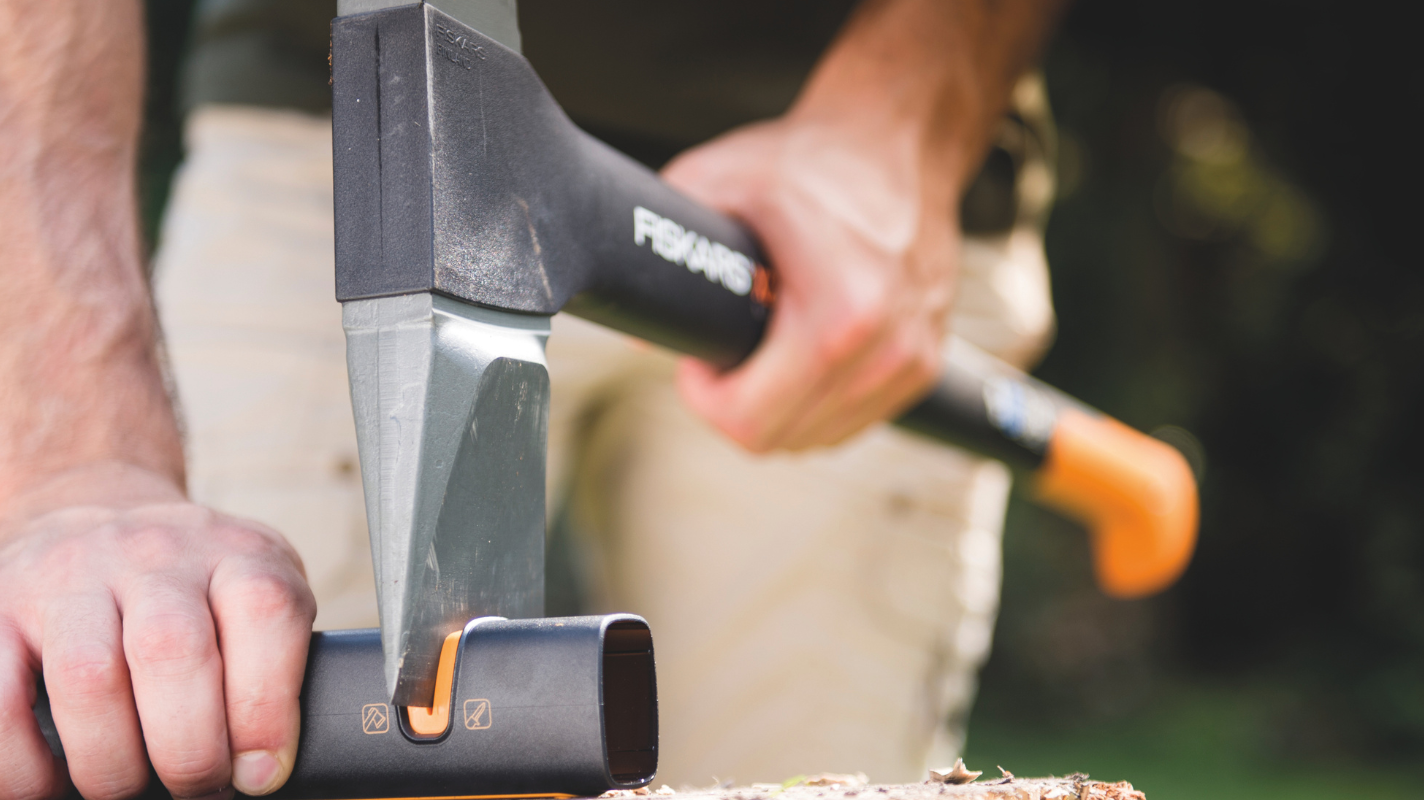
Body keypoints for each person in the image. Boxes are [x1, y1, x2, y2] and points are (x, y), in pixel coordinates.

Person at [0, 1, 1061, 798]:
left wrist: (905, 117)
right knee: (193, 695)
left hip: (863, 197)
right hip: (323, 142)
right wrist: (81, 450)